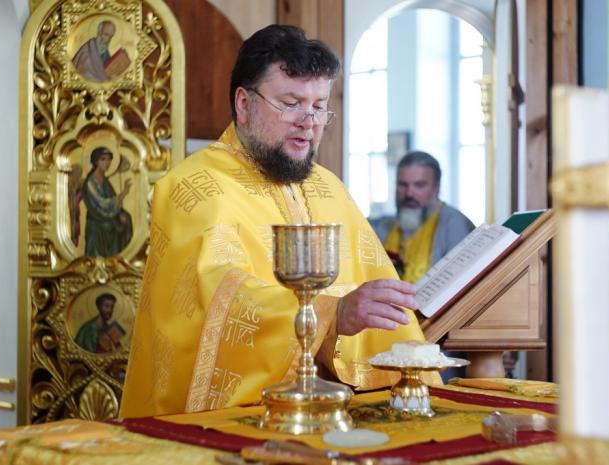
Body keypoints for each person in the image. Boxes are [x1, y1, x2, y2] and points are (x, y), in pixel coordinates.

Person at [120, 25, 440, 418]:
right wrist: (331, 315)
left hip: (339, 412)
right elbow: (220, 297)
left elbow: (376, 296)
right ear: (244, 103)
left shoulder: (329, 188)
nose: (309, 121)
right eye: (291, 103)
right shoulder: (194, 186)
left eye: (319, 106)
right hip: (234, 421)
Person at [370, 151, 475, 283]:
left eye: (419, 185)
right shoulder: (383, 227)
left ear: (437, 187)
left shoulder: (456, 225)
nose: (409, 193)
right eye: (402, 184)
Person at [82, 146, 133, 257]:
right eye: (103, 159)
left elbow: (111, 200)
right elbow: (103, 204)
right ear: (96, 161)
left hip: (106, 219)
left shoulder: (105, 181)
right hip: (97, 224)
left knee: (126, 218)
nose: (107, 163)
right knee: (113, 225)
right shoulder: (91, 182)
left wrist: (119, 213)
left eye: (109, 159)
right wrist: (124, 193)